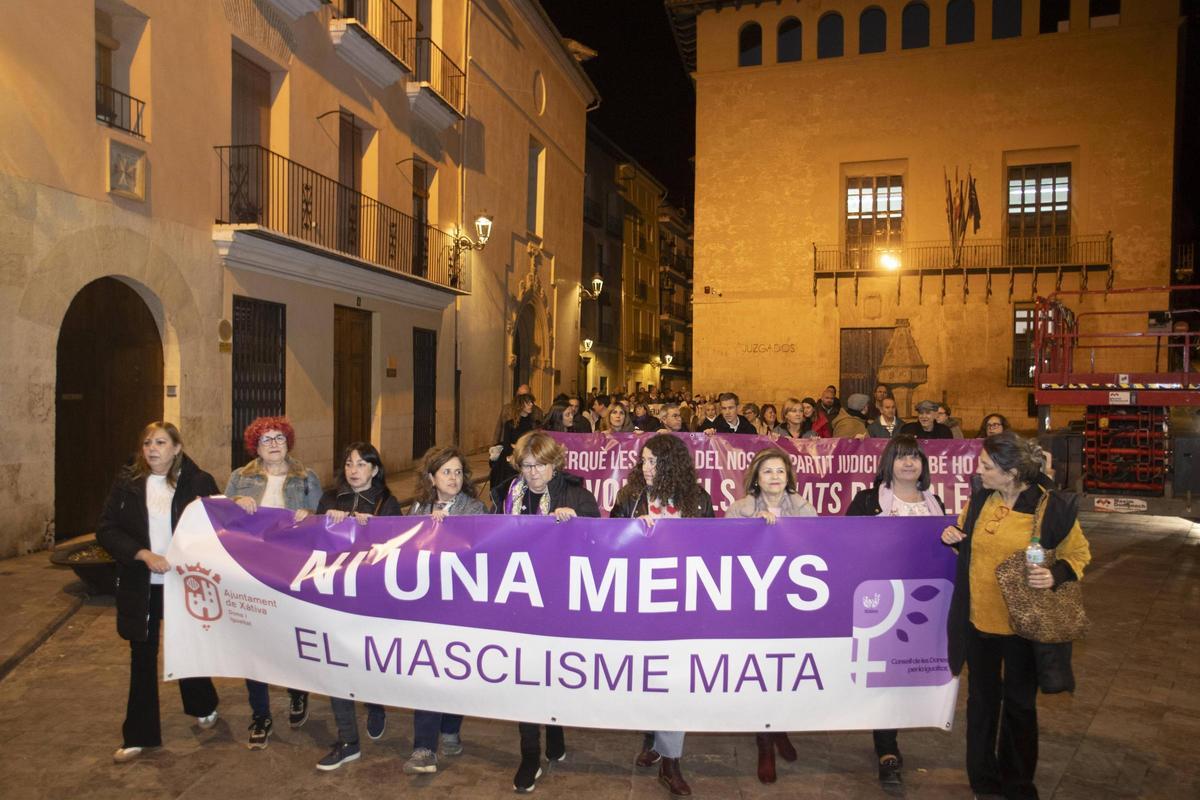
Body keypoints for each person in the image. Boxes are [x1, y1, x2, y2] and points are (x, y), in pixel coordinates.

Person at [941, 433, 1090, 799]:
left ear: (1011, 473)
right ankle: (983, 780)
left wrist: (1055, 574)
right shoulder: (981, 500)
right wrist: (955, 538)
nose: (979, 472)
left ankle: (1018, 783)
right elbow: (969, 542)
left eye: (987, 467)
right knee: (981, 704)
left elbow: (1078, 553)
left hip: (1023, 627)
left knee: (1020, 706)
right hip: (979, 623)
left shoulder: (1049, 507)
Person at [97, 422, 221, 763]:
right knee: (142, 656)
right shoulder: (128, 482)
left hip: (183, 583)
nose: (152, 449)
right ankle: (138, 735)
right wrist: (142, 554)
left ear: (177, 448)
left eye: (161, 442)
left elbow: (219, 525)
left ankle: (203, 704)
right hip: (142, 583)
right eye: (148, 442)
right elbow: (106, 529)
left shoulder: (197, 482)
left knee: (187, 646)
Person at [491, 432, 600, 793]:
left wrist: (577, 523)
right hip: (520, 598)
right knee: (525, 674)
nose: (533, 472)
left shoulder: (577, 496)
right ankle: (529, 755)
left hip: (560, 601)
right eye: (526, 465)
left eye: (540, 465)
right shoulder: (509, 495)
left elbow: (600, 544)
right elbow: (492, 538)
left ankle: (554, 727)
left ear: (555, 463)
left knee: (551, 672)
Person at [612, 434, 715, 798]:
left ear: (672, 465)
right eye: (644, 460)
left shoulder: (697, 500)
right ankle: (653, 739)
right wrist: (632, 530)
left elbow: (712, 549)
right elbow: (609, 543)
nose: (646, 467)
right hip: (640, 601)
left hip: (682, 602)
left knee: (675, 680)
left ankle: (671, 761)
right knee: (647, 676)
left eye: (654, 461)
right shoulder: (631, 496)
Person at [846, 435, 947, 788]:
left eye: (914, 457)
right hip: (879, 602)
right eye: (901, 457)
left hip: (925, 603)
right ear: (888, 463)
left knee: (908, 674)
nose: (908, 463)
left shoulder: (935, 503)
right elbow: (846, 544)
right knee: (883, 677)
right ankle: (886, 748)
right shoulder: (867, 501)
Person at [225, 415, 321, 749]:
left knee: (291, 637)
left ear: (288, 442)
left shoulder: (307, 476)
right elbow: (223, 520)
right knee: (255, 643)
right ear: (256, 446)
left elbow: (322, 519)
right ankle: (260, 714)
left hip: (292, 570)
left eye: (279, 437)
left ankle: (298, 691)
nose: (274, 444)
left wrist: (311, 516)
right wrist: (235, 504)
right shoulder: (239, 478)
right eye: (266, 439)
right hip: (252, 571)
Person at [314, 442, 404, 772]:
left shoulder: (387, 502)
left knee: (368, 662)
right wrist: (326, 521)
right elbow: (313, 542)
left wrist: (374, 529)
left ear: (375, 469)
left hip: (370, 600)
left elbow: (398, 549)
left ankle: (375, 704)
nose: (354, 470)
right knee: (337, 665)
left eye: (362, 464)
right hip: (335, 598)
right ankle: (348, 740)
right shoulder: (329, 499)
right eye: (349, 464)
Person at [401, 446, 488, 774]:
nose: (453, 478)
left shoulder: (475, 508)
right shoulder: (418, 508)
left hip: (461, 607)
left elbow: (484, 550)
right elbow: (403, 548)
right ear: (431, 477)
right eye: (446, 472)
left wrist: (447, 528)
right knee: (427, 674)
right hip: (426, 607)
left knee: (455, 671)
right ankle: (423, 747)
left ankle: (450, 726)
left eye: (458, 472)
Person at [491, 393, 538, 490]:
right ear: (520, 405)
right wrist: (519, 447)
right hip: (512, 456)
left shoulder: (533, 424)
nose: (531, 404)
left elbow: (534, 443)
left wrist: (517, 446)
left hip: (528, 457)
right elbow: (507, 445)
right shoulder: (510, 424)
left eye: (531, 402)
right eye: (528, 402)